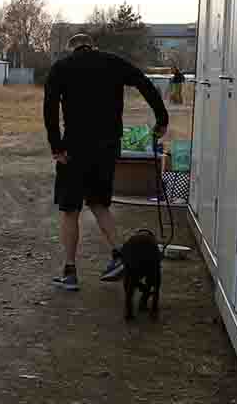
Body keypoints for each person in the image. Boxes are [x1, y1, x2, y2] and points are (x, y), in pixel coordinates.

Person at [43, 33, 168, 291]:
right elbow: (145, 83)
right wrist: (161, 118)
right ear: (93, 45)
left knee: (70, 210)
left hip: (74, 147)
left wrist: (56, 146)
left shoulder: (61, 68)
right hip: (107, 146)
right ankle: (119, 255)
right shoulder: (113, 62)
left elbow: (50, 109)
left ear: (71, 48)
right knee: (99, 203)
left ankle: (69, 272)